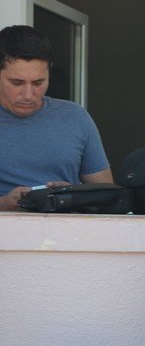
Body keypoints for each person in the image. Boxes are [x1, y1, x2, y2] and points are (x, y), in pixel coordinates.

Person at [0, 24, 111, 210]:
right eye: (17, 82)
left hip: (70, 226)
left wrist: (72, 194)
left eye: (38, 82)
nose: (28, 95)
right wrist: (3, 204)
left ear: (49, 72)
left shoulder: (75, 116)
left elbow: (107, 196)